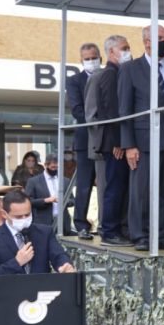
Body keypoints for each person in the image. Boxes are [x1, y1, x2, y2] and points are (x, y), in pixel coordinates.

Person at [118, 24, 164, 251]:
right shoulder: (131, 69)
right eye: (159, 37)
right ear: (146, 41)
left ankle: (163, 235)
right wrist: (128, 144)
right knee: (141, 192)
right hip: (143, 142)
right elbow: (125, 109)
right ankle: (140, 235)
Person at [85, 34, 132, 247]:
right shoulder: (109, 74)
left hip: (118, 141)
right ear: (111, 51)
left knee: (121, 186)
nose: (127, 51)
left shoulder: (120, 72)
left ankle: (118, 229)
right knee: (114, 187)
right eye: (124, 47)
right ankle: (110, 231)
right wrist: (118, 142)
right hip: (114, 143)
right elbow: (112, 111)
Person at [0, 189, 75, 275]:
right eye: (18, 217)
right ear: (4, 214)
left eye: (27, 215)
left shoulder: (44, 232)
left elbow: (58, 255)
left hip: (40, 289)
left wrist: (65, 264)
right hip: (9, 290)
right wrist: (16, 262)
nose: (24, 219)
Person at [67, 43, 101, 240]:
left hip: (108, 140)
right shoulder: (74, 81)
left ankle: (107, 225)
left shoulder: (108, 76)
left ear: (101, 58)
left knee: (109, 184)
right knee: (85, 184)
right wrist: (102, 122)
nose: (91, 61)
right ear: (81, 61)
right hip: (86, 139)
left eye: (94, 57)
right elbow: (78, 111)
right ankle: (81, 225)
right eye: (87, 58)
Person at [25, 152, 74, 235]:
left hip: (63, 223)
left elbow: (73, 200)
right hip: (43, 222)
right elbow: (28, 201)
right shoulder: (34, 181)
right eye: (52, 167)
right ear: (45, 165)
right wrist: (45, 200)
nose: (55, 169)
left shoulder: (65, 181)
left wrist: (65, 201)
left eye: (57, 167)